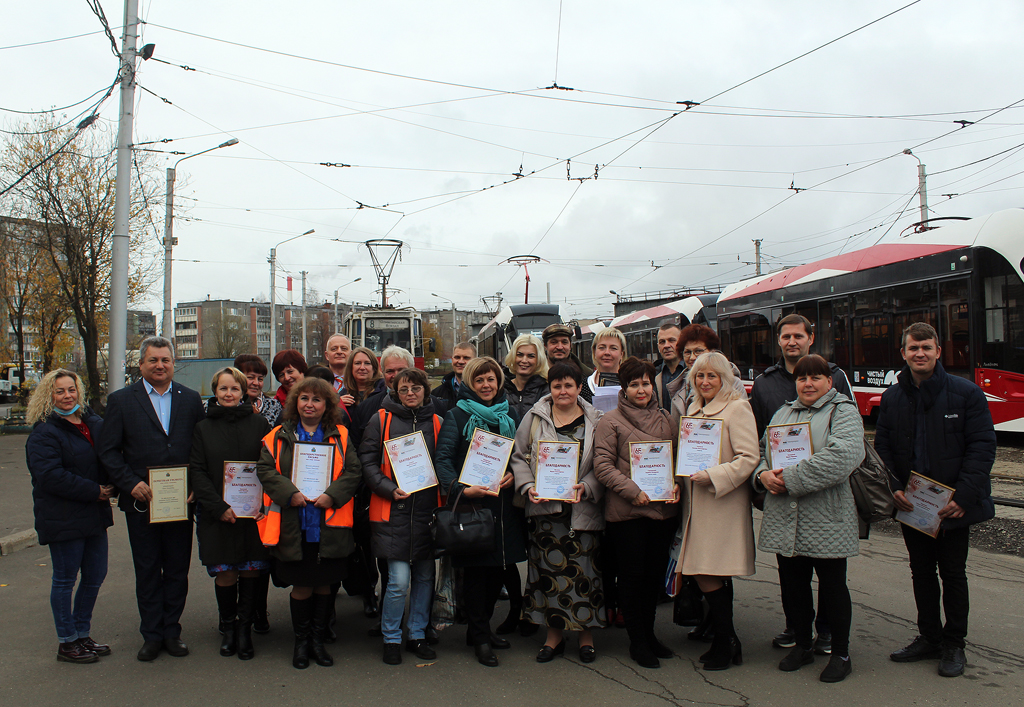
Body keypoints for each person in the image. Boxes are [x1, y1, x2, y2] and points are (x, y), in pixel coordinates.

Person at [875, 323, 996, 679]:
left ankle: (954, 643)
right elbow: (882, 447)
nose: (920, 354)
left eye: (926, 347)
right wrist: (894, 486)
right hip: (913, 507)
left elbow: (982, 446)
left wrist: (964, 495)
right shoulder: (893, 397)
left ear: (938, 351)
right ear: (903, 353)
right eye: (913, 348)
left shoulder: (966, 393)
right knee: (921, 573)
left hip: (952, 506)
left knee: (954, 574)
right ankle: (929, 637)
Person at [752, 354, 863, 683]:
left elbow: (844, 455)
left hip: (826, 515)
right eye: (802, 378)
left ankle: (840, 653)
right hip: (786, 515)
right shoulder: (784, 412)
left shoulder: (842, 411)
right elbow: (762, 451)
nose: (809, 383)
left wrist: (790, 479)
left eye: (816, 377)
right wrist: (762, 476)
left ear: (829, 381)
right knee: (793, 585)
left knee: (832, 586)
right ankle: (802, 644)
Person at [97, 336, 205, 662]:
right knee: (147, 569)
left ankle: (172, 631)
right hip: (142, 501)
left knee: (175, 569)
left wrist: (196, 485)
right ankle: (151, 635)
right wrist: (130, 484)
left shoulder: (190, 400)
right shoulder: (121, 401)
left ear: (174, 364)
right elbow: (108, 451)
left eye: (165, 360)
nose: (160, 365)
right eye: (153, 360)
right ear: (141, 364)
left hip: (180, 501)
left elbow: (200, 449)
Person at [255, 377, 362, 669]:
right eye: (304, 399)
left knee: (325, 585)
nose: (310, 404)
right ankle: (301, 643)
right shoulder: (276, 435)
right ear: (295, 403)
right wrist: (291, 494)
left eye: (317, 399)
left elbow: (353, 471)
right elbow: (265, 471)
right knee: (301, 586)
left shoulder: (340, 434)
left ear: (327, 404)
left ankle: (318, 641)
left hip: (329, 523)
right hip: (295, 523)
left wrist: (332, 495)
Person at [435, 356, 527, 668]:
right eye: (480, 380)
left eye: (491, 379)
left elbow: (518, 455)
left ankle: (480, 629)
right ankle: (480, 636)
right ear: (470, 384)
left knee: (498, 571)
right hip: (473, 505)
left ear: (499, 382)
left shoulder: (510, 414)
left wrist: (515, 473)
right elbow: (444, 460)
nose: (486, 385)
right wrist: (461, 489)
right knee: (476, 575)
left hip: (503, 506)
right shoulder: (457, 416)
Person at [511, 362, 606, 664]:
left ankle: (585, 636)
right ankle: (553, 637)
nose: (562, 391)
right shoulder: (535, 417)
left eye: (569, 385)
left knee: (586, 574)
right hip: (545, 510)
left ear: (580, 387)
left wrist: (588, 486)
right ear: (549, 389)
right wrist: (527, 486)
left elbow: (603, 462)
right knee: (548, 574)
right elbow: (518, 455)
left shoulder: (597, 419)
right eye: (556, 386)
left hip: (582, 509)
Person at [671, 352, 758, 670]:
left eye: (711, 376)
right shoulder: (694, 409)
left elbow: (749, 458)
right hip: (696, 504)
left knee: (709, 571)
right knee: (705, 571)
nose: (705, 382)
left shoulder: (737, 408)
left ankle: (727, 640)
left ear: (724, 378)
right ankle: (727, 639)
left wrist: (714, 476)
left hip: (722, 504)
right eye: (699, 376)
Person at [593, 356, 680, 669]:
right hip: (627, 515)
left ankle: (650, 634)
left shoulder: (667, 419)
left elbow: (676, 461)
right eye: (634, 384)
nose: (641, 389)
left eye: (646, 382)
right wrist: (633, 491)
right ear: (624, 388)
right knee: (631, 578)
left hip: (662, 514)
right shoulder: (610, 421)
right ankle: (637, 641)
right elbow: (602, 466)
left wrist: (676, 485)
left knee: (653, 579)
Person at [26, 369, 113, 664]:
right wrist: (96, 491)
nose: (67, 396)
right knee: (65, 580)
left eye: (71, 390)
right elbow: (50, 476)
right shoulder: (44, 432)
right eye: (60, 391)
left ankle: (81, 633)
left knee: (94, 576)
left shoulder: (91, 423)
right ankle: (67, 641)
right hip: (62, 517)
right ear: (48, 396)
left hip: (93, 515)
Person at [359, 368, 442, 665]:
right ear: (395, 391)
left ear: (425, 391)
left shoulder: (437, 422)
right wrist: (388, 488)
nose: (410, 393)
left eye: (416, 388)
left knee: (424, 576)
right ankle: (391, 637)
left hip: (426, 511)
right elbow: (366, 461)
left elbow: (443, 463)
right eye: (404, 389)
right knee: (397, 580)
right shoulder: (380, 419)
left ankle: (417, 634)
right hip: (391, 509)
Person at [188, 367, 272, 660]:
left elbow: (269, 467)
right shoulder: (202, 428)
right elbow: (197, 471)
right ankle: (228, 628)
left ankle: (245, 630)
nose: (228, 394)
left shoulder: (260, 424)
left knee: (250, 571)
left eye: (234, 389)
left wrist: (264, 504)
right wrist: (218, 507)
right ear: (215, 392)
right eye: (223, 389)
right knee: (226, 574)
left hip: (253, 514)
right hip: (217, 514)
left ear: (243, 392)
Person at [502, 333, 549, 419]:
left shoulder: (547, 390)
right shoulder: (501, 387)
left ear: (539, 360)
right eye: (520, 355)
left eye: (531, 356)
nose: (524, 360)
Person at [234, 354, 282, 428]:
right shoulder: (227, 404)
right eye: (250, 377)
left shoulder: (273, 407)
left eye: (260, 379)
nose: (256, 383)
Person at [584, 327, 627, 406]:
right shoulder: (583, 386)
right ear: (594, 352)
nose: (607, 352)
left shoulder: (632, 384)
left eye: (613, 348)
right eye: (602, 348)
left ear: (622, 354)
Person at [432, 341, 476, 408]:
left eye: (466, 358)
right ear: (452, 360)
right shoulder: (437, 394)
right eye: (457, 357)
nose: (461, 361)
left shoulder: (483, 391)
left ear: (475, 361)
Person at [653, 322, 683, 411]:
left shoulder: (692, 371)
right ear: (658, 346)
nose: (666, 345)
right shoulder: (653, 375)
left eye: (672, 340)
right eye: (662, 342)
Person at [324, 334, 353, 404]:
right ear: (327, 355)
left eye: (344, 349)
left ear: (351, 354)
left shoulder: (358, 380)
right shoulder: (318, 379)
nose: (339, 352)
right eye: (334, 349)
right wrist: (337, 402)